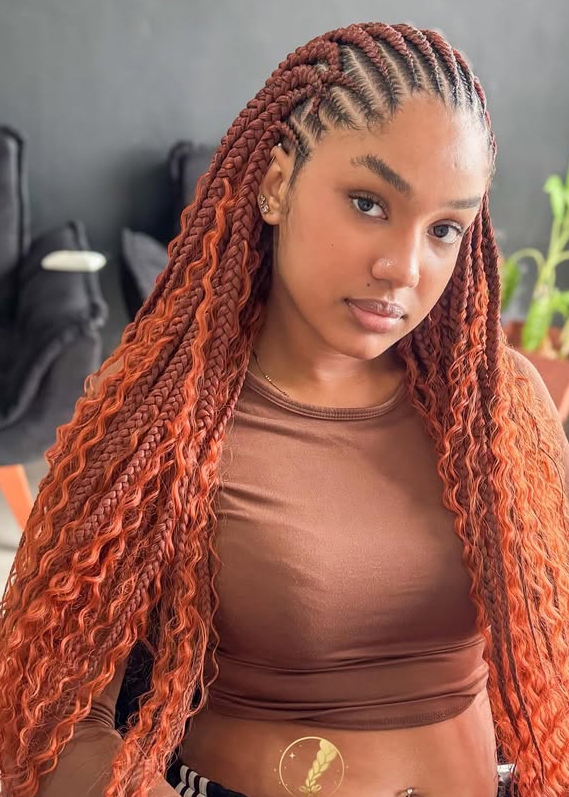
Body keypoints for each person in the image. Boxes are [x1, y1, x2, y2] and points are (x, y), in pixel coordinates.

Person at [1, 20, 568, 797]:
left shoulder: (501, 408)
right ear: (275, 183)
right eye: (367, 202)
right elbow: (51, 720)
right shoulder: (161, 413)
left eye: (444, 228)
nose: (402, 266)